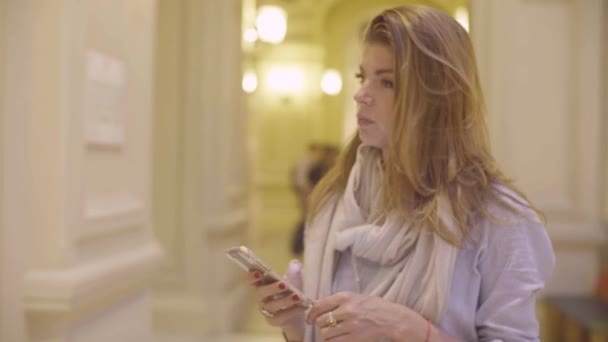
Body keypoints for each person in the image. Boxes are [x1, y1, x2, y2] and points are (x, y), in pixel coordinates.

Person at [246, 5, 555, 342]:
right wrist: (296, 325)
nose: (361, 94)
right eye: (363, 77)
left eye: (387, 82)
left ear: (436, 96)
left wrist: (413, 331)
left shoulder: (498, 217)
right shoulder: (336, 197)